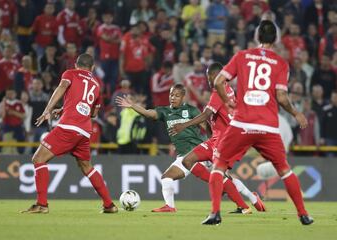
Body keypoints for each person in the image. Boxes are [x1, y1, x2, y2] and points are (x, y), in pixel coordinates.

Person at [202, 20, 313, 225]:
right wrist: (296, 113)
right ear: (276, 39)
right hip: (268, 126)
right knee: (284, 169)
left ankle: (215, 213)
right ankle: (303, 214)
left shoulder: (242, 56)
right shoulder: (280, 63)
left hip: (242, 123)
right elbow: (281, 97)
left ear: (257, 37)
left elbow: (218, 81)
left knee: (218, 166)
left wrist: (227, 102)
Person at [116, 84, 252, 213]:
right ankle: (251, 199)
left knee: (222, 178)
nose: (173, 98)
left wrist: (213, 145)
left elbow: (206, 127)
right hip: (183, 155)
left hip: (198, 152)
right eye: (171, 95)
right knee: (167, 178)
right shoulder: (165, 112)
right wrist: (132, 106)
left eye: (176, 95)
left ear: (183, 97)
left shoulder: (191, 110)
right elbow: (148, 113)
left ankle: (248, 200)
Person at [21, 54, 117, 214]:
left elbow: (61, 88)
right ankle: (109, 205)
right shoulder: (97, 84)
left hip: (68, 127)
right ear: (92, 68)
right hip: (85, 131)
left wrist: (48, 110)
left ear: (75, 64)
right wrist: (65, 108)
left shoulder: (70, 73)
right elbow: (93, 113)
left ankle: (42, 204)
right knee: (86, 166)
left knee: (38, 159)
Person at [170, 62, 266, 213]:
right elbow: (213, 117)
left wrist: (184, 125)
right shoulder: (228, 90)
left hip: (224, 141)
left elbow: (207, 115)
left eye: (210, 77)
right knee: (192, 162)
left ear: (216, 76)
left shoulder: (218, 92)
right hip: (219, 139)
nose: (208, 80)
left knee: (218, 174)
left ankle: (242, 204)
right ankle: (251, 200)